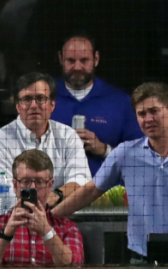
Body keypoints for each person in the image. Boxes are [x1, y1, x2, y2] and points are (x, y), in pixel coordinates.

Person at [52, 82, 168, 259]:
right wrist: (52, 216)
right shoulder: (125, 153)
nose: (148, 119)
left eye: (154, 111)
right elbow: (91, 190)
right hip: (140, 257)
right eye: (142, 114)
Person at [0, 73, 91, 208]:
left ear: (52, 105)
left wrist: (56, 194)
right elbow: (4, 197)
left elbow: (82, 181)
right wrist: (41, 205)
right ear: (17, 106)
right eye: (26, 99)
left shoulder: (68, 136)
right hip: (11, 222)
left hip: (60, 221)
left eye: (40, 98)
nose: (34, 105)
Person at [50, 34, 143, 177]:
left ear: (96, 59)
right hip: (52, 193)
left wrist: (103, 149)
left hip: (106, 195)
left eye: (84, 60)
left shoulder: (120, 102)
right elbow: (22, 150)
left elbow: (141, 157)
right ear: (60, 59)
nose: (77, 67)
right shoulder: (42, 98)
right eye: (70, 60)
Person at [0, 150, 83, 266]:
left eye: (39, 182)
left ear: (50, 186)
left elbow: (75, 265)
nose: (33, 188)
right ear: (15, 186)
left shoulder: (67, 227)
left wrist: (46, 232)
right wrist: (6, 233)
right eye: (26, 181)